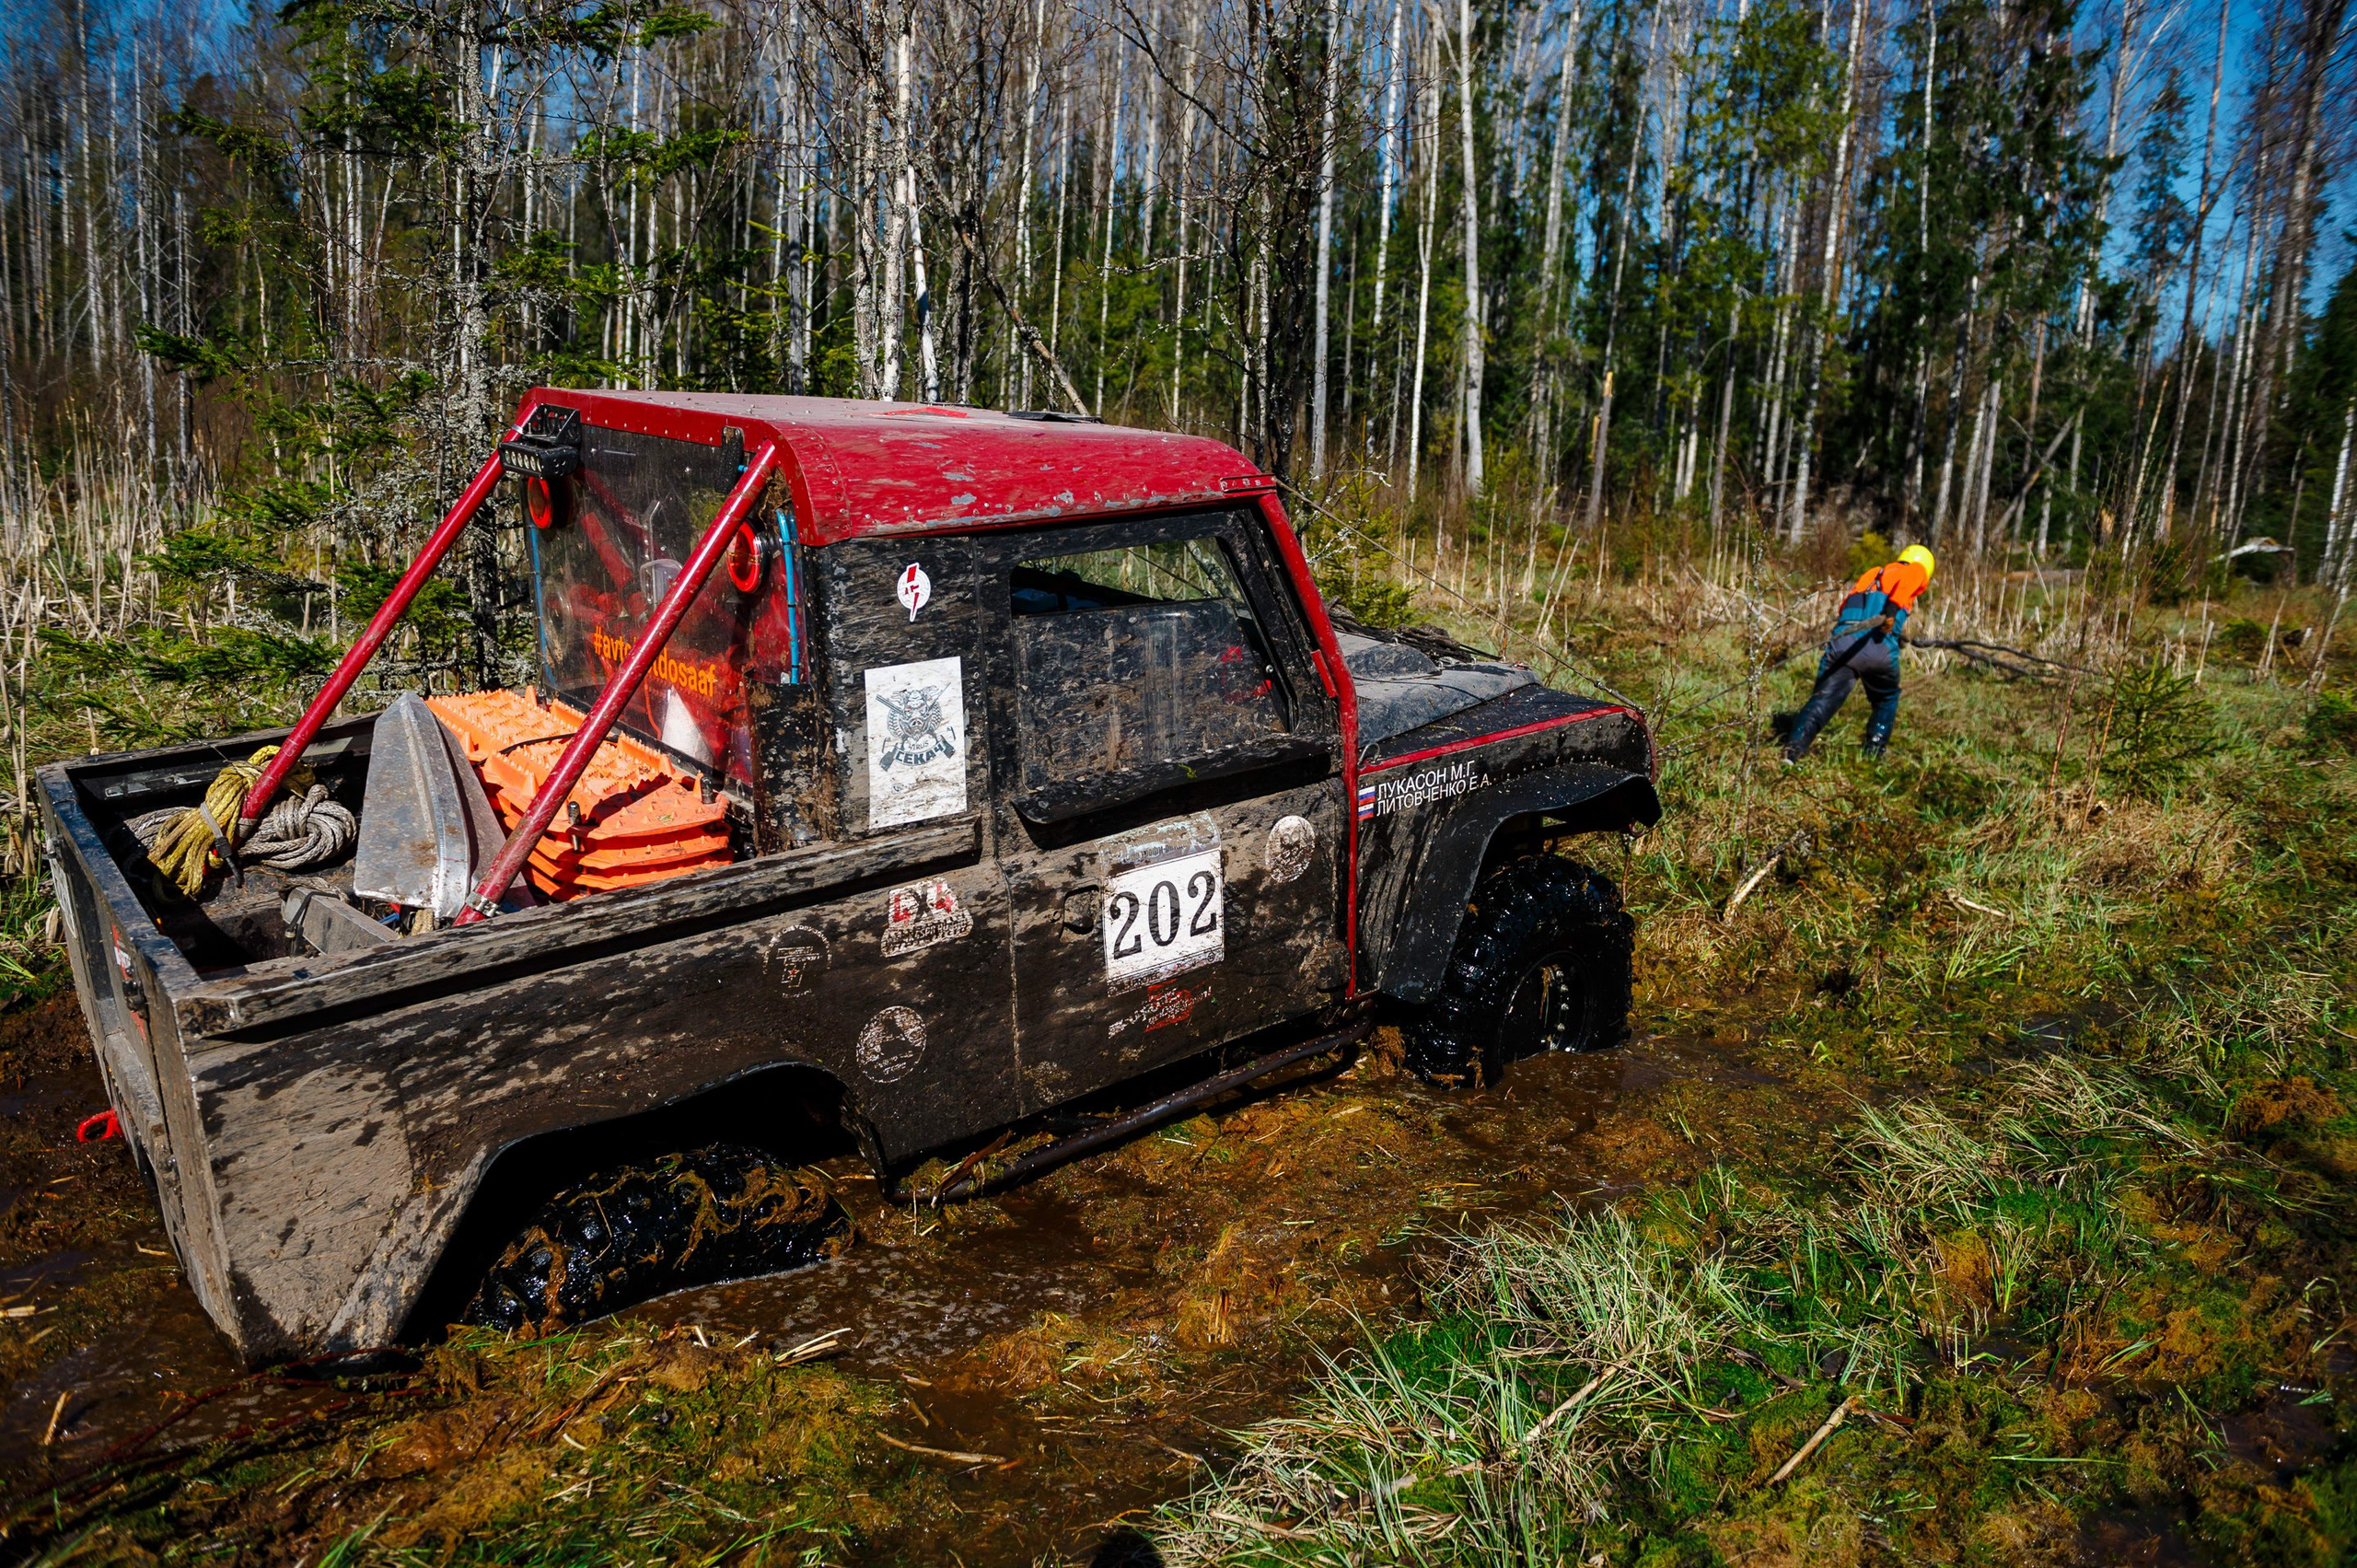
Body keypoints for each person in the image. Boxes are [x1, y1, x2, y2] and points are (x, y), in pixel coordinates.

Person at [1783, 544, 1935, 763]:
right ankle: (1874, 750)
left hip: (1842, 644)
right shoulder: (1915, 570)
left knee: (1823, 698)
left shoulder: (1872, 574)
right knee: (1886, 697)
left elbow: (1845, 609)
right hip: (1878, 646)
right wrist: (1892, 612)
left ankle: (1793, 749)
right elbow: (1905, 587)